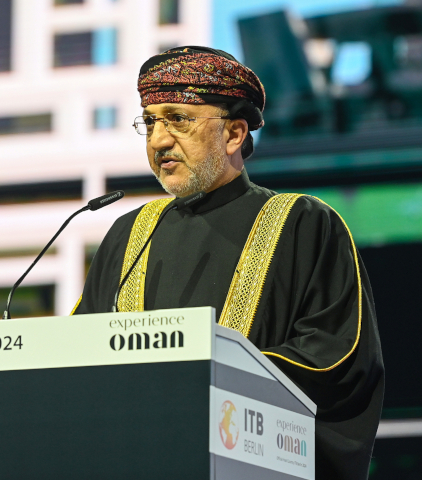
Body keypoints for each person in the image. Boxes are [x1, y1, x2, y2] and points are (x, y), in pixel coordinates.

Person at [73, 46, 384, 479]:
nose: (159, 140)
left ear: (234, 134)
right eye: (150, 122)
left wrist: (203, 382)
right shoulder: (129, 235)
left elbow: (337, 361)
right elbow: (78, 355)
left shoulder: (304, 224)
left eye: (178, 120)